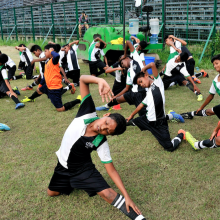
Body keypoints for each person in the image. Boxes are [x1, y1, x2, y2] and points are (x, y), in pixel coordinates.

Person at [47, 74, 146, 220]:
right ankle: (74, 183)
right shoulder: (87, 111)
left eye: (108, 131)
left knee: (107, 194)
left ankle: (138, 218)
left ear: (109, 135)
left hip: (83, 169)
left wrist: (127, 196)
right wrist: (100, 80)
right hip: (62, 165)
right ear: (106, 114)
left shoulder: (101, 141)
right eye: (106, 123)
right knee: (51, 193)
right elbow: (82, 80)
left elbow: (111, 169)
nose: (103, 128)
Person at [126, 62, 185, 151]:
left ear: (146, 75)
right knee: (131, 122)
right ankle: (119, 123)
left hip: (160, 123)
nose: (141, 85)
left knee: (169, 147)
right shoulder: (148, 93)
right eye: (139, 84)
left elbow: (153, 64)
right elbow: (141, 105)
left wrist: (144, 68)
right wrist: (131, 115)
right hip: (147, 120)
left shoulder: (158, 83)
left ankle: (181, 134)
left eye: (141, 81)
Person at [21, 44, 79, 112]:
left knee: (60, 109)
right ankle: (31, 98)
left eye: (46, 51)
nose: (44, 53)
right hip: (48, 85)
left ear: (51, 51)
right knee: (39, 90)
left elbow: (57, 56)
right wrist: (40, 85)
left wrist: (51, 51)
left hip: (54, 88)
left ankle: (78, 100)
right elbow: (45, 76)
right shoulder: (47, 62)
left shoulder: (54, 61)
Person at [181, 54, 220, 119]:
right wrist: (201, 108)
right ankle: (189, 114)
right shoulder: (215, 81)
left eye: (217, 63)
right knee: (209, 112)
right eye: (214, 64)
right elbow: (210, 96)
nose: (215, 66)